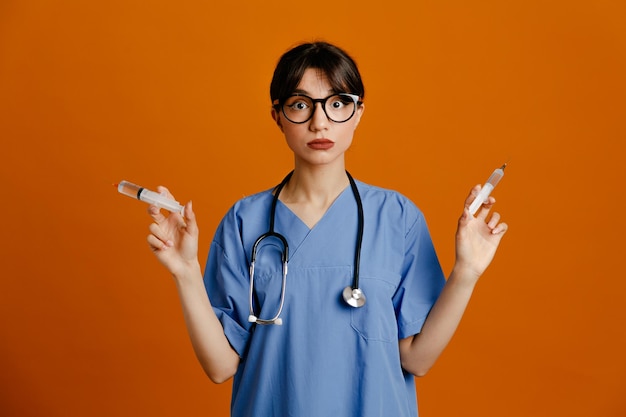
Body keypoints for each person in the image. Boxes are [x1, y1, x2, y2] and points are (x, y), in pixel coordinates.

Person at [145, 41, 508, 417]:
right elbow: (220, 367)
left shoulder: (397, 217)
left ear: (358, 112)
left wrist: (467, 271)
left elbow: (417, 359)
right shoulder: (244, 222)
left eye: (337, 104)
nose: (320, 122)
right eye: (301, 105)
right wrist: (185, 270)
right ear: (277, 116)